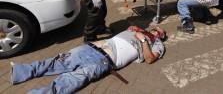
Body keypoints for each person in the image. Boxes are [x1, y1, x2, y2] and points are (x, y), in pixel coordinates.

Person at [10, 26, 166, 94]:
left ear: (161, 37)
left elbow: (150, 59)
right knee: (55, 61)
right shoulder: (139, 29)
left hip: (106, 60)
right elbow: (130, 27)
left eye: (160, 32)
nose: (156, 31)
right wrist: (138, 30)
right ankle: (20, 71)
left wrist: (144, 41)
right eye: (155, 29)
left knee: (68, 82)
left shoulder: (157, 44)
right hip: (92, 48)